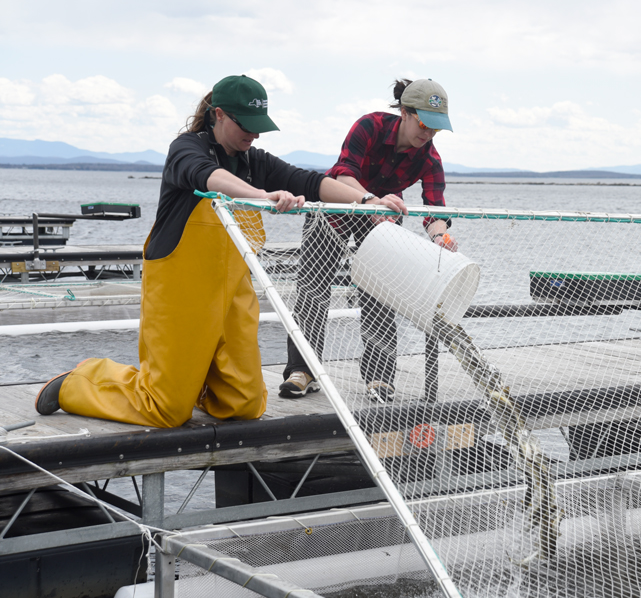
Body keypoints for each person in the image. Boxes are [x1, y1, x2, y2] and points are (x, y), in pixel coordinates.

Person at [34, 74, 405, 427]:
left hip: (233, 292)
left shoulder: (253, 160)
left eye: (259, 124)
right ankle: (81, 381)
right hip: (181, 290)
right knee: (164, 409)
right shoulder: (187, 148)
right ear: (219, 115)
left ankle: (189, 385)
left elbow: (312, 182)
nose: (254, 133)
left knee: (244, 405)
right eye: (245, 124)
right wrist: (262, 196)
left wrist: (369, 201)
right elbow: (206, 177)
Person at [280, 78, 456, 403]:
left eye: (436, 129)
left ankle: (379, 377)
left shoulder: (429, 158)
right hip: (335, 206)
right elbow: (344, 173)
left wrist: (441, 236)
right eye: (423, 124)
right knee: (313, 289)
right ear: (404, 112)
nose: (428, 135)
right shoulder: (370, 126)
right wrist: (370, 201)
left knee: (381, 295)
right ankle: (302, 371)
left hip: (383, 218)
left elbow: (434, 209)